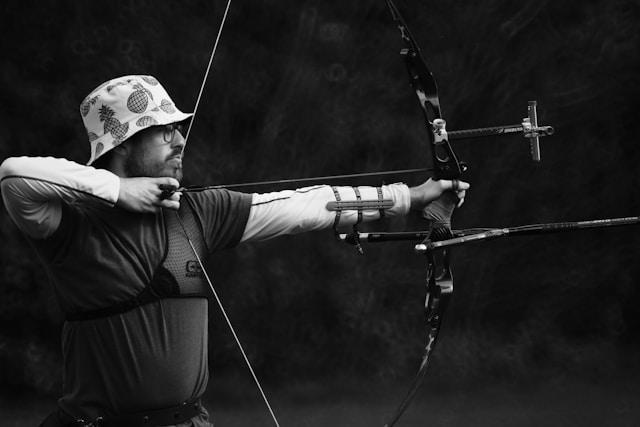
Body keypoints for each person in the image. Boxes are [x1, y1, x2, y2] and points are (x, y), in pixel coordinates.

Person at [0, 75, 469, 427]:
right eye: (163, 131)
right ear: (123, 141)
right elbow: (13, 174)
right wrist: (118, 191)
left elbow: (309, 205)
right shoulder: (69, 222)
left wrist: (411, 196)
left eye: (178, 129)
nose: (180, 140)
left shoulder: (199, 212)